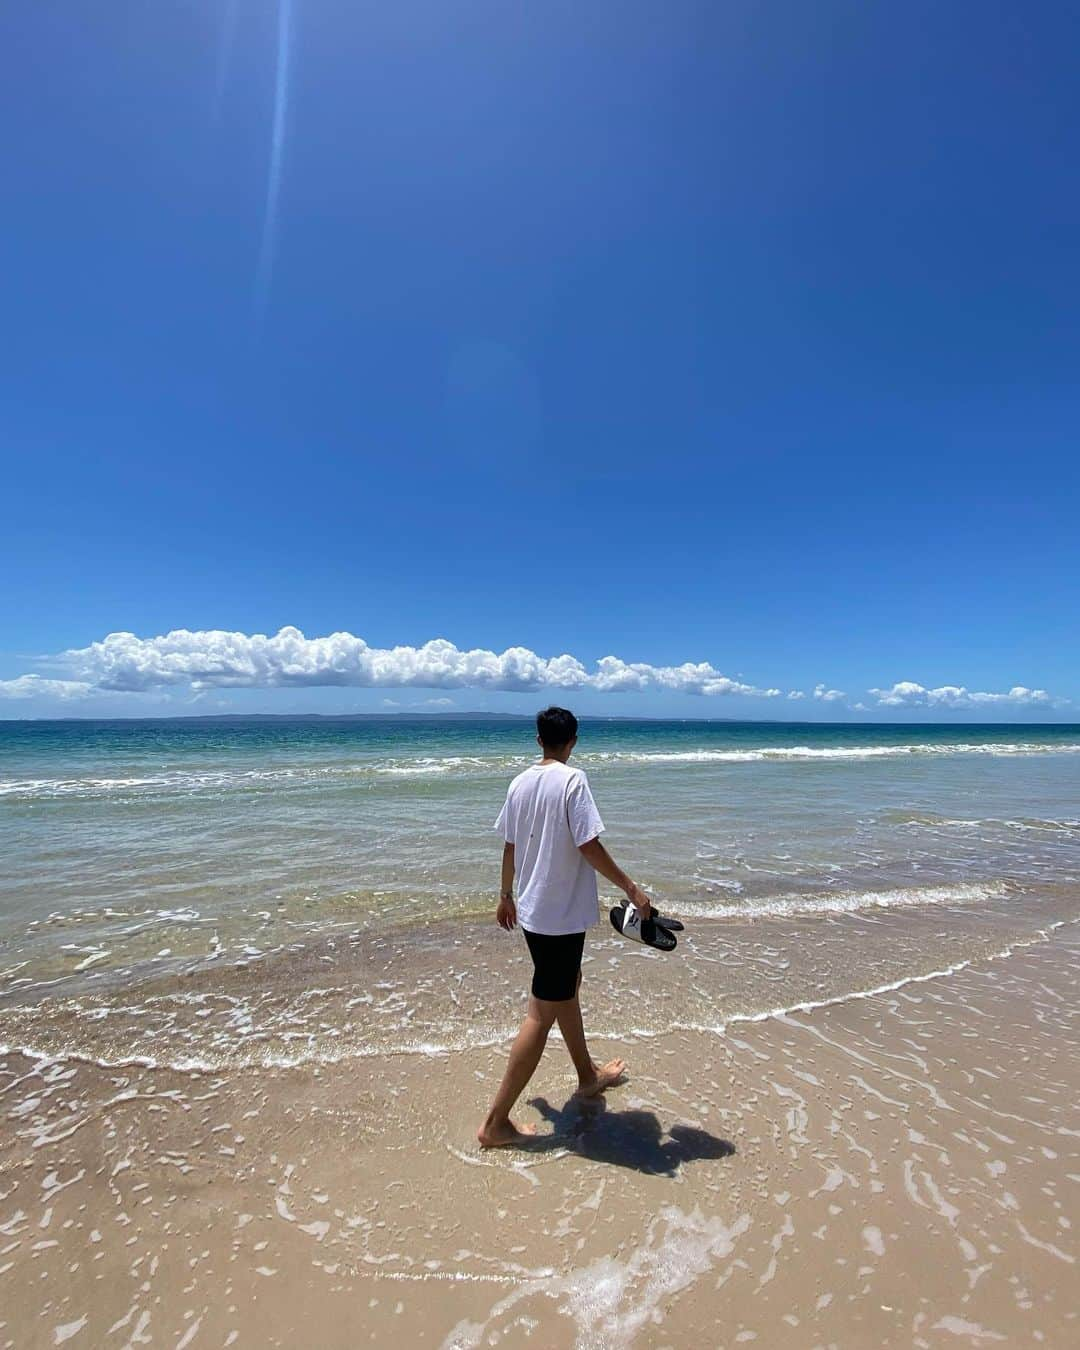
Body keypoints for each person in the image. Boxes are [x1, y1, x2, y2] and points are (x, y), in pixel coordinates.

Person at [477, 706, 655, 1148]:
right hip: (559, 916)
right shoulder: (573, 780)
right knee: (541, 1011)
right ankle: (495, 1123)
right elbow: (588, 844)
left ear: (539, 740)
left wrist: (504, 896)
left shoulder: (519, 782)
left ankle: (586, 1076)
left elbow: (510, 845)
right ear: (573, 740)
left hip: (536, 913)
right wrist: (631, 888)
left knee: (566, 988)